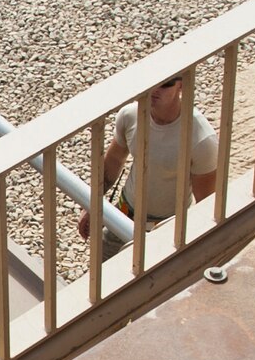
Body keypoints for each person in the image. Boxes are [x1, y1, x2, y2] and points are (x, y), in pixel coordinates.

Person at [78, 73, 219, 255]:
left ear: (181, 85)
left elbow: (205, 203)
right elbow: (113, 161)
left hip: (167, 232)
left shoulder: (201, 139)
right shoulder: (130, 115)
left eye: (166, 83)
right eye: (154, 81)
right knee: (103, 278)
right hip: (122, 217)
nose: (156, 89)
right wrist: (91, 204)